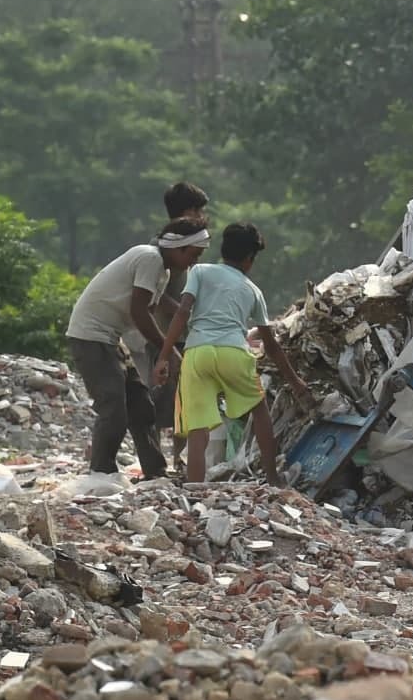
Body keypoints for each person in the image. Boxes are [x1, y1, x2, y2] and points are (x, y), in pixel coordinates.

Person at [154, 221, 312, 486]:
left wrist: (163, 356)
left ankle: (196, 488)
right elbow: (270, 345)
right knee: (259, 412)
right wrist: (295, 381)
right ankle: (273, 479)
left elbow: (182, 313)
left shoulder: (200, 271)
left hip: (197, 353)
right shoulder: (253, 290)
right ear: (250, 259)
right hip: (233, 353)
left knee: (197, 427)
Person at [67, 219, 210, 479]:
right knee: (113, 407)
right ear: (178, 248)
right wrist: (169, 351)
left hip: (111, 338)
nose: (193, 262)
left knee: (141, 406)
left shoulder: (162, 272)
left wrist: (161, 359)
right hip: (91, 335)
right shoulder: (150, 259)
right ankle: (101, 472)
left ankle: (155, 472)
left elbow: (145, 315)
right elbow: (139, 311)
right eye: (193, 254)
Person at [124, 183, 210, 471]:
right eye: (197, 210)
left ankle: (180, 462)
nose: (201, 215)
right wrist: (188, 313)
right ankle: (156, 463)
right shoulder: (162, 249)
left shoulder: (188, 245)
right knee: (157, 397)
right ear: (185, 211)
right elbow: (156, 299)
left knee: (182, 399)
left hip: (181, 335)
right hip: (159, 336)